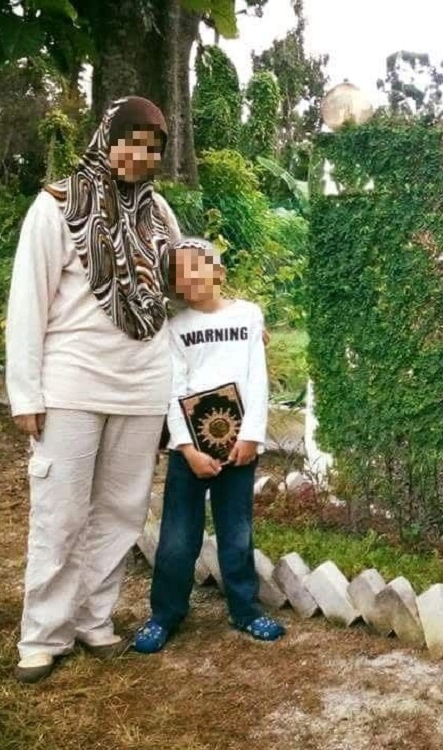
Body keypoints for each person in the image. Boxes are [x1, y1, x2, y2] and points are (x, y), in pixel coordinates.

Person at [6, 96, 181, 683]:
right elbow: (28, 301)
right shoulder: (56, 206)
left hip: (143, 384)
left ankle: (94, 618)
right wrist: (25, 393)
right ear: (107, 138)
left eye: (153, 147)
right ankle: (44, 634)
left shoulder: (159, 214)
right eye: (131, 140)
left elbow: (176, 297)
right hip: (73, 383)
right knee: (59, 511)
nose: (140, 155)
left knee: (122, 512)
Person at [132, 237, 285, 653]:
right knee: (179, 537)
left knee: (237, 533)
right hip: (192, 453)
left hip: (240, 446)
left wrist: (252, 434)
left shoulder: (249, 316)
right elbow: (174, 389)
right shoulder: (176, 328)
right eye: (180, 274)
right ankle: (165, 614)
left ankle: (245, 609)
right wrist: (186, 448)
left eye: (197, 268)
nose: (190, 279)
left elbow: (257, 377)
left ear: (218, 271)